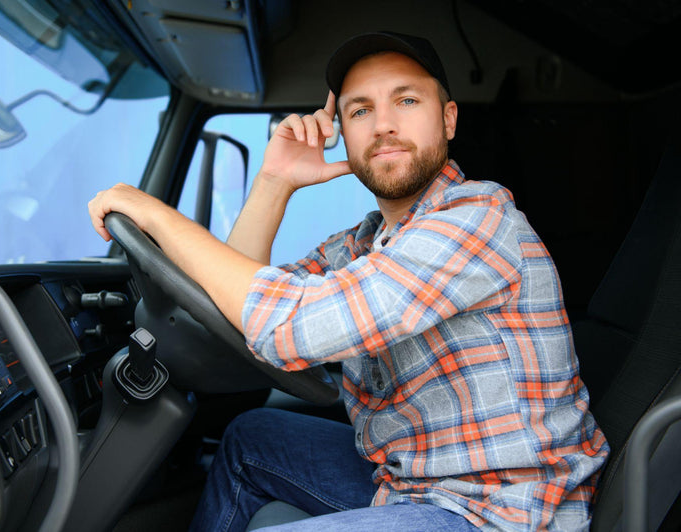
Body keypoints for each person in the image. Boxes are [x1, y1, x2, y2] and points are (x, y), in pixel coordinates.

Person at [89, 31, 609, 532]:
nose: (382, 125)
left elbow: (292, 324)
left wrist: (153, 213)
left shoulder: (476, 218)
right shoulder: (365, 243)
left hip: (501, 509)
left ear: (448, 119)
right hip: (414, 482)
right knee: (251, 438)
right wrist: (275, 183)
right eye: (360, 110)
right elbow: (228, 305)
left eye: (406, 101)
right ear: (344, 130)